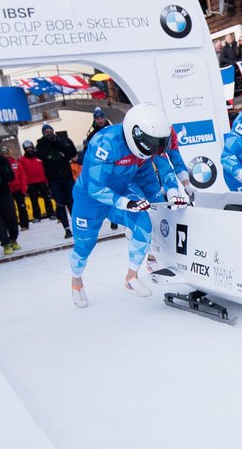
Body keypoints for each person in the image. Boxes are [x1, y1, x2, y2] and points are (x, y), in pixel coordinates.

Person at [68, 102, 188, 308]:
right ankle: (76, 281)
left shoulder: (149, 147)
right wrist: (126, 203)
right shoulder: (104, 144)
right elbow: (95, 187)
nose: (157, 150)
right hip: (90, 199)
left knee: (144, 224)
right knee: (84, 245)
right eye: (155, 145)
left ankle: (131, 276)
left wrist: (173, 193)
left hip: (124, 188)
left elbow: (162, 171)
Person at [35, 123, 77, 238]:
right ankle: (67, 228)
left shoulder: (61, 140)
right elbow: (40, 154)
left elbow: (71, 152)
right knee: (60, 203)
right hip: (54, 179)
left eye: (50, 131)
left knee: (72, 202)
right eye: (46, 132)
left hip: (67, 177)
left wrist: (57, 141)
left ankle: (78, 226)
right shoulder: (41, 144)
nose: (49, 134)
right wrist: (48, 142)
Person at [21, 140, 55, 222]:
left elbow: (45, 168)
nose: (29, 149)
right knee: (34, 200)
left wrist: (47, 180)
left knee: (47, 198)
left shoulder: (39, 156)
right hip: (31, 183)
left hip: (42, 181)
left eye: (30, 147)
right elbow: (22, 172)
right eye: (27, 148)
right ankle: (37, 216)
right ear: (25, 149)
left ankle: (51, 213)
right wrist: (25, 184)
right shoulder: (22, 160)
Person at [1, 145, 30, 230]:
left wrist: (23, 189)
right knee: (9, 209)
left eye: (6, 153)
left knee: (22, 207)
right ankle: (12, 226)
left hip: (18, 189)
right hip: (7, 190)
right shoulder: (0, 165)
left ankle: (24, 224)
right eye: (3, 154)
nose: (5, 155)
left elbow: (22, 176)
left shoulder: (16, 164)